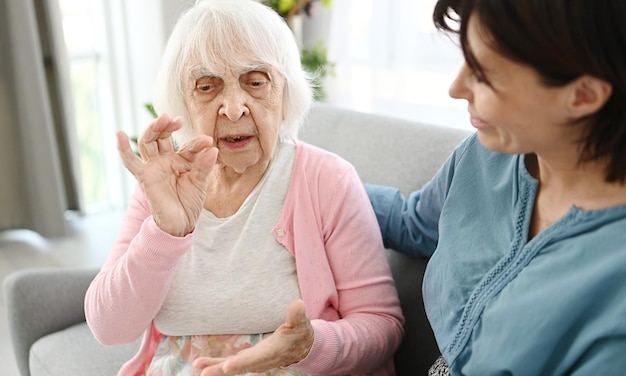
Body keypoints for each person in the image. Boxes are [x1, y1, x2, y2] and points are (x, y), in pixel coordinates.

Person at [84, 0, 404, 375]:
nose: (234, 108)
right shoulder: (164, 188)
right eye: (207, 86)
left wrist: (308, 347)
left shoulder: (326, 179)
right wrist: (164, 233)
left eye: (255, 82)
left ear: (285, 95)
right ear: (182, 104)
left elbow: (382, 324)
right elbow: (109, 328)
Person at [366, 0, 626, 375]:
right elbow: (414, 224)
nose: (456, 88)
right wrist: (307, 175)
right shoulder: (490, 153)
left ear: (583, 94)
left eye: (484, 74)